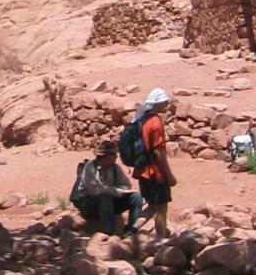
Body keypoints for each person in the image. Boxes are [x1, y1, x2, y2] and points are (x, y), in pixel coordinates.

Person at [132, 87, 177, 241]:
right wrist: (168, 175)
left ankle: (131, 230)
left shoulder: (140, 119)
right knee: (161, 207)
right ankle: (160, 241)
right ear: (158, 103)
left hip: (141, 171)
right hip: (155, 173)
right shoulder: (155, 122)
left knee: (151, 205)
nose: (166, 105)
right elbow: (158, 152)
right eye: (165, 102)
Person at [71, 139, 143, 234]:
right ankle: (110, 233)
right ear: (105, 156)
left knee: (136, 197)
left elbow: (126, 185)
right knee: (104, 197)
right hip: (89, 204)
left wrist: (114, 191)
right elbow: (96, 190)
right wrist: (117, 191)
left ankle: (131, 231)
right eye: (113, 154)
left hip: (111, 202)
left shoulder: (115, 168)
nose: (116, 157)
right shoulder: (90, 167)